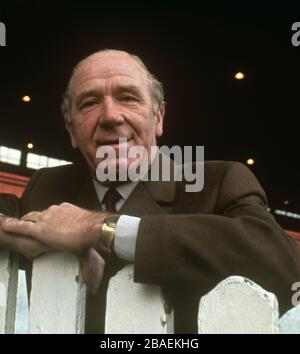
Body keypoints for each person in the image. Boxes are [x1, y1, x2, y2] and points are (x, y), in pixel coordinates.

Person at [0, 49, 300, 333]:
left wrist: (98, 229)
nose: (110, 116)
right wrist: (18, 233)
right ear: (71, 130)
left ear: (158, 118)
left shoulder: (217, 182)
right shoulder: (47, 186)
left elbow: (285, 269)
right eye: (89, 103)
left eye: (127, 97)